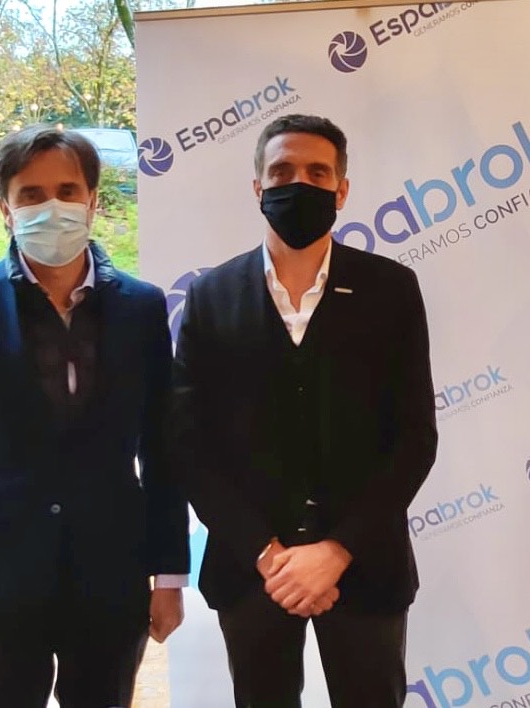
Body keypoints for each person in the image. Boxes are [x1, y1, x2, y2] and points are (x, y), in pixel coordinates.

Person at [171, 113, 437, 707]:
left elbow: (415, 438)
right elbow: (190, 444)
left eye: (318, 173)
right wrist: (270, 556)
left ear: (342, 190)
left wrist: (336, 551)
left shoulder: (392, 288)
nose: (300, 184)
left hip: (366, 566)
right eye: (282, 171)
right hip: (252, 570)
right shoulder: (211, 295)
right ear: (258, 186)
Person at [0, 124, 189, 707]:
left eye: (67, 191)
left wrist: (169, 575)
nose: (52, 206)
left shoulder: (142, 308)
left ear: (93, 201)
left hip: (109, 577)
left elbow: (162, 448)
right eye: (31, 194)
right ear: (5, 209)